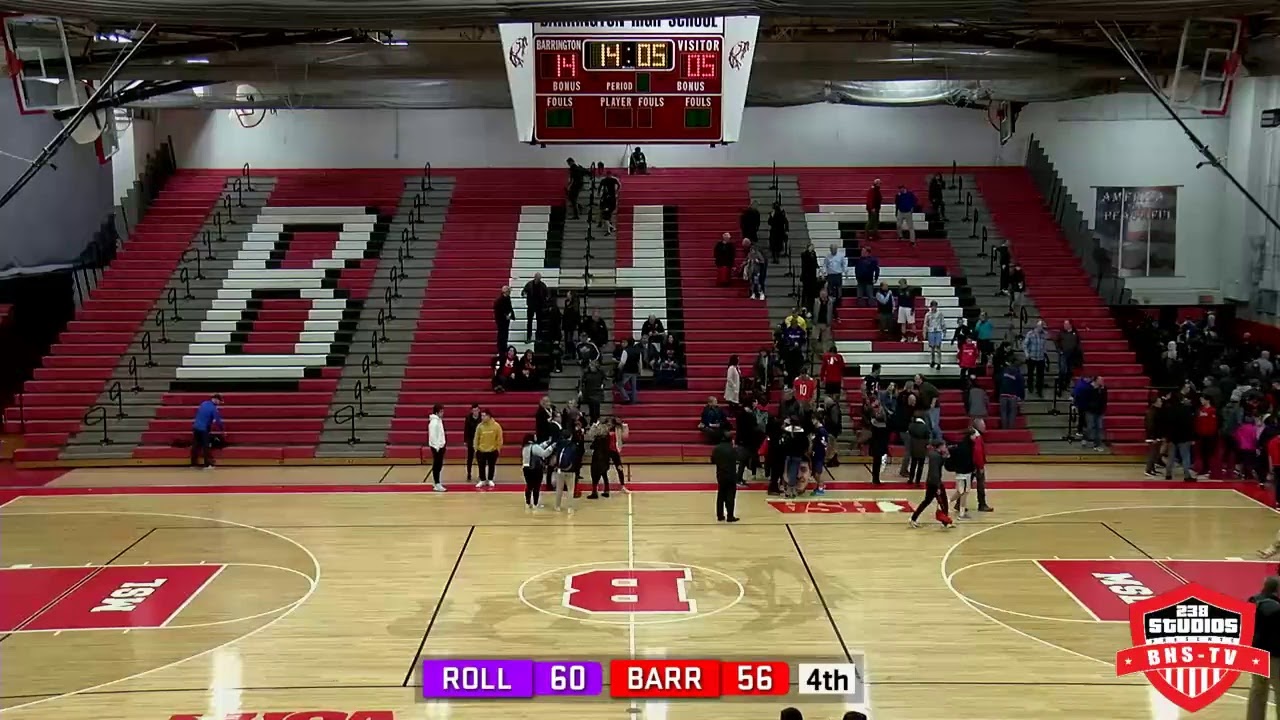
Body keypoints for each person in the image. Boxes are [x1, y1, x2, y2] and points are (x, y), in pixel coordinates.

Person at [1246, 576, 1280, 720]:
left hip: (1256, 654)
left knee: (1257, 691)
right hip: (1274, 656)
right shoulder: (1276, 607)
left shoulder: (1252, 601)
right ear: (1276, 589)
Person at [910, 440, 955, 528]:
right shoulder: (935, 457)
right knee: (942, 502)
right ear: (940, 447)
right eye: (944, 446)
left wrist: (946, 457)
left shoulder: (935, 455)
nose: (945, 447)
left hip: (933, 482)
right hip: (934, 483)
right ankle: (945, 522)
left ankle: (913, 519)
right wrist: (937, 486)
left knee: (928, 501)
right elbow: (934, 472)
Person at [711, 430, 741, 522]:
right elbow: (739, 458)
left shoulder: (717, 448)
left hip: (720, 475)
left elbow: (712, 460)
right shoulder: (733, 449)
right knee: (730, 496)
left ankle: (720, 515)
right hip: (731, 475)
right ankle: (730, 516)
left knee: (721, 495)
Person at [190, 393, 224, 469]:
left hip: (196, 427)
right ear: (216, 400)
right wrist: (222, 430)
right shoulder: (213, 408)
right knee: (206, 446)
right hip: (204, 429)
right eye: (219, 401)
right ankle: (207, 464)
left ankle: (193, 464)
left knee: (195, 445)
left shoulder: (203, 403)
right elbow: (218, 421)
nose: (219, 403)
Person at [949, 429, 977, 520]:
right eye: (974, 435)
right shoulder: (967, 448)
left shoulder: (960, 445)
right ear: (970, 436)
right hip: (965, 473)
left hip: (959, 473)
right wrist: (972, 469)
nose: (975, 437)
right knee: (964, 492)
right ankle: (962, 514)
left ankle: (944, 504)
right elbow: (968, 461)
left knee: (959, 492)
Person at [521, 434, 554, 509]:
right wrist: (551, 447)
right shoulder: (534, 447)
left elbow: (539, 447)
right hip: (535, 469)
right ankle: (535, 504)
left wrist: (546, 443)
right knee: (536, 486)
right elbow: (544, 454)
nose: (536, 437)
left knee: (529, 486)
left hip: (526, 469)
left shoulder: (525, 447)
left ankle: (528, 503)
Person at [972, 418, 993, 511]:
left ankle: (959, 503)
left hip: (971, 464)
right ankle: (982, 504)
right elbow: (978, 452)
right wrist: (980, 466)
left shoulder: (973, 434)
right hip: (976, 465)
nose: (985, 427)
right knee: (980, 485)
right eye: (983, 425)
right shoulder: (977, 436)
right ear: (978, 426)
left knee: (966, 485)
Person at [998, 360, 1025, 431]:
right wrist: (1022, 397)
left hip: (1003, 394)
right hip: (1013, 396)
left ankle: (1004, 428)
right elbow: (1021, 387)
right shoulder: (1018, 374)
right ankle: (1010, 430)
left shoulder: (1004, 371)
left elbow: (998, 380)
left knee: (1003, 412)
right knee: (1012, 413)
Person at [1023, 321, 1049, 397]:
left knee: (1040, 376)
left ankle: (1039, 390)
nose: (1043, 328)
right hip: (1032, 357)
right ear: (1038, 326)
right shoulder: (1030, 334)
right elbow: (1025, 345)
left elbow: (1044, 346)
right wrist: (1027, 354)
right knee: (1030, 374)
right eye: (1042, 327)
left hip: (1041, 358)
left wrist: (1045, 356)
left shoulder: (1044, 334)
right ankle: (1030, 386)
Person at [522, 273, 549, 343]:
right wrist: (524, 293)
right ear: (535, 278)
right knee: (529, 322)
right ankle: (529, 337)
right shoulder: (529, 284)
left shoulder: (542, 285)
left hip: (539, 306)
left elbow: (547, 294)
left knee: (539, 322)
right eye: (537, 279)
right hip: (531, 305)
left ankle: (538, 337)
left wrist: (546, 299)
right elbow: (523, 291)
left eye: (539, 279)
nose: (538, 280)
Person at [427, 403, 447, 492]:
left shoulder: (439, 420)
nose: (442, 413)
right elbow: (433, 436)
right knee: (437, 465)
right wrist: (437, 447)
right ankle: (437, 483)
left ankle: (436, 482)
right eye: (441, 411)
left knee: (439, 465)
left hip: (440, 446)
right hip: (437, 447)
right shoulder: (434, 422)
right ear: (436, 412)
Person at [924, 301, 946, 370]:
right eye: (932, 306)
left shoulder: (940, 314)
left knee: (938, 348)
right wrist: (925, 332)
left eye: (935, 306)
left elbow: (942, 322)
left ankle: (939, 363)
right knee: (932, 348)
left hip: (938, 331)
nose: (934, 308)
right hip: (931, 332)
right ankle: (932, 361)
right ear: (931, 307)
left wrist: (944, 330)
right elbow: (925, 323)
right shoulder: (928, 314)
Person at [462, 404, 482, 483]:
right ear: (472, 411)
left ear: (479, 410)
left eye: (476, 410)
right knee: (470, 458)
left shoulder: (481, 418)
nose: (475, 412)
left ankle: (481, 475)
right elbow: (466, 429)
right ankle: (469, 474)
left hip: (479, 441)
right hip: (471, 440)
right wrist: (465, 440)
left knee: (480, 459)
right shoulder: (468, 418)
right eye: (474, 411)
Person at [493, 286, 515, 355]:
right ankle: (500, 349)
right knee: (501, 334)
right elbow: (498, 311)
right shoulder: (499, 300)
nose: (509, 292)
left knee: (505, 334)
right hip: (501, 320)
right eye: (508, 291)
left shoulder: (508, 298)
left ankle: (504, 347)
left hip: (506, 320)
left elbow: (510, 307)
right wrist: (505, 316)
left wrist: (511, 315)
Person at [598, 169, 620, 235]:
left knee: (606, 216)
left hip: (609, 200)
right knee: (606, 216)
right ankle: (610, 228)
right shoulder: (607, 181)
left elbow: (619, 185)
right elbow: (600, 187)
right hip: (608, 199)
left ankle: (610, 228)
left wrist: (616, 191)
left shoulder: (612, 180)